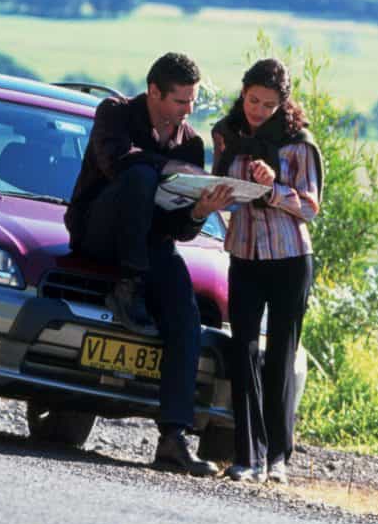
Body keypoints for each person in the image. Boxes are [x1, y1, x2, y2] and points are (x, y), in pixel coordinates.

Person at [65, 51, 233, 477]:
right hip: (98, 232)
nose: (188, 110)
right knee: (139, 175)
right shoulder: (116, 114)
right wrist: (166, 166)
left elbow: (180, 230)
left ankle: (173, 439)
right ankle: (131, 282)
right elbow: (117, 163)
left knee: (184, 310)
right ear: (154, 91)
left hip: (153, 241)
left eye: (193, 101)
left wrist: (199, 211)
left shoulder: (191, 142)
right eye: (180, 100)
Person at [209, 58, 322, 485]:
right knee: (242, 352)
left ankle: (277, 458)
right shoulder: (225, 135)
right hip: (243, 254)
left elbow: (310, 206)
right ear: (242, 93)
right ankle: (246, 456)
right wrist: (216, 198)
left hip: (290, 259)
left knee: (279, 356)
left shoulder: (299, 144)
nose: (258, 110)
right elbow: (220, 191)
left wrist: (273, 187)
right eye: (253, 100)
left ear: (283, 104)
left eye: (268, 105)